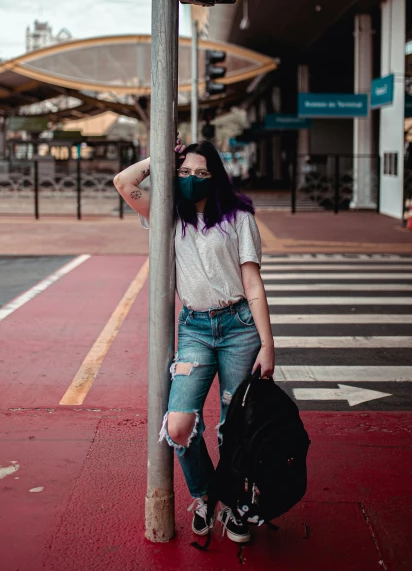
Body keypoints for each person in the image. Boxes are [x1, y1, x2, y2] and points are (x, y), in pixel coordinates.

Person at [113, 138, 274, 544]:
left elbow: (252, 282)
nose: (191, 180)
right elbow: (123, 181)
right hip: (195, 330)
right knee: (180, 424)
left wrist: (268, 345)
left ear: (215, 176)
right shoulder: (169, 215)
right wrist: (162, 157)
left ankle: (237, 503)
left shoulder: (238, 218)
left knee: (233, 428)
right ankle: (206, 495)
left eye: (201, 173)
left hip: (239, 328)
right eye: (183, 173)